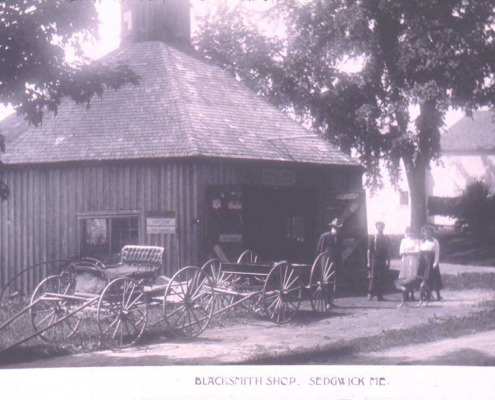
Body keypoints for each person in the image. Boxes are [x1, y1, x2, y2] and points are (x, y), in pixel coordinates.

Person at [316, 218, 343, 301]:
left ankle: (331, 300)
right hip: (326, 261)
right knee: (326, 281)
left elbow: (340, 249)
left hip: (336, 261)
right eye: (335, 228)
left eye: (338, 229)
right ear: (331, 228)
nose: (336, 230)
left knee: (334, 281)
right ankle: (327, 300)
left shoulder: (340, 237)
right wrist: (321, 261)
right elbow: (320, 250)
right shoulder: (325, 236)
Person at [396, 226, 421, 307]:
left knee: (412, 277)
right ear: (406, 233)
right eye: (409, 232)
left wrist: (407, 252)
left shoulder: (417, 241)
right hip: (405, 261)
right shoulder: (404, 241)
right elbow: (401, 252)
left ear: (414, 232)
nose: (410, 233)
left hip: (413, 261)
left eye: (412, 232)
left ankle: (412, 294)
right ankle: (405, 295)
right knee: (405, 277)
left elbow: (417, 251)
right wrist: (410, 252)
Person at [367, 221, 390, 301]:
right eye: (378, 226)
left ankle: (380, 296)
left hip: (383, 259)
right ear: (376, 227)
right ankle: (370, 294)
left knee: (381, 278)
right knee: (373, 277)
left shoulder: (386, 238)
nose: (380, 228)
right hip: (374, 259)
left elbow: (388, 250)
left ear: (383, 228)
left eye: (382, 226)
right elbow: (369, 250)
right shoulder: (373, 237)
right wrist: (369, 262)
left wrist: (388, 260)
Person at [419, 224, 443, 303]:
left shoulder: (434, 241)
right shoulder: (421, 241)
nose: (426, 234)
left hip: (431, 261)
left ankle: (438, 295)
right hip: (423, 261)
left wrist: (435, 262)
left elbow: (437, 252)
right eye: (425, 232)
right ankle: (427, 295)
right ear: (423, 233)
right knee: (425, 278)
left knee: (435, 278)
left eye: (428, 232)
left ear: (431, 233)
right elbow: (419, 252)